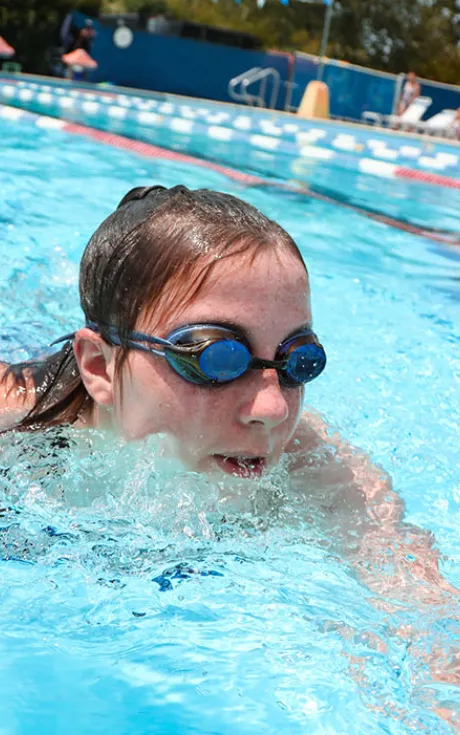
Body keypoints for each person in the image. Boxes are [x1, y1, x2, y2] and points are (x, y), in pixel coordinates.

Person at [0, 185, 456, 601]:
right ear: (99, 367)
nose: (273, 408)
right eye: (216, 359)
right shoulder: (16, 414)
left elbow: (406, 587)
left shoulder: (313, 458)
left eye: (298, 362)